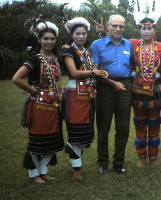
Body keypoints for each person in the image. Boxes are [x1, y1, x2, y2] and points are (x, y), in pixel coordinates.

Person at [12, 21, 64, 183]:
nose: (49, 41)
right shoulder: (35, 59)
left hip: (54, 105)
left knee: (52, 140)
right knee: (37, 140)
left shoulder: (56, 59)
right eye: (45, 38)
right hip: (38, 106)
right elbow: (16, 78)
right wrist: (34, 90)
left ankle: (44, 172)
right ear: (39, 40)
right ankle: (34, 175)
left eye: (52, 38)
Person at [62, 17, 108, 179]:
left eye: (84, 33)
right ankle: (77, 171)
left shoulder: (86, 52)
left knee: (85, 133)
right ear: (72, 35)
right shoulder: (68, 52)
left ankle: (75, 162)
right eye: (77, 33)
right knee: (76, 132)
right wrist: (93, 72)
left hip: (88, 95)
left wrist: (100, 71)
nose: (81, 36)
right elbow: (74, 73)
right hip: (75, 95)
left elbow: (93, 68)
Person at [90, 15, 133, 175]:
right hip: (105, 86)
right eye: (115, 26)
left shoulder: (128, 44)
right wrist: (112, 83)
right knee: (103, 127)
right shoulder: (97, 45)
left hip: (124, 86)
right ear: (107, 26)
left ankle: (118, 163)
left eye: (121, 26)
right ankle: (103, 163)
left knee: (123, 128)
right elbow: (95, 70)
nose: (118, 29)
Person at [129, 16, 161, 167]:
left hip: (156, 91)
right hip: (137, 91)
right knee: (139, 124)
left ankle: (154, 158)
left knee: (154, 124)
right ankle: (141, 159)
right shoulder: (132, 44)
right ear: (139, 30)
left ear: (154, 30)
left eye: (149, 28)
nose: (146, 31)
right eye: (143, 28)